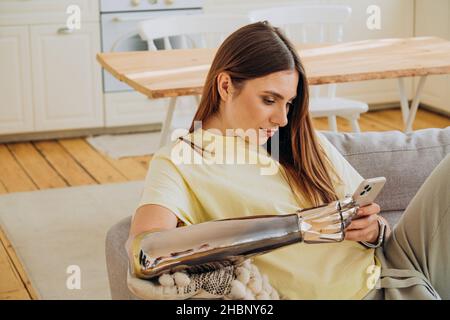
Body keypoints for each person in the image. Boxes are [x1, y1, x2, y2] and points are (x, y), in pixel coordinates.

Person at [127, 21, 450, 300]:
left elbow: (378, 226)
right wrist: (299, 226)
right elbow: (147, 252)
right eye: (269, 100)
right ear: (226, 86)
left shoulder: (297, 141)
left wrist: (373, 231)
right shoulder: (180, 160)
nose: (282, 118)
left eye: (289, 103)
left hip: (395, 265)